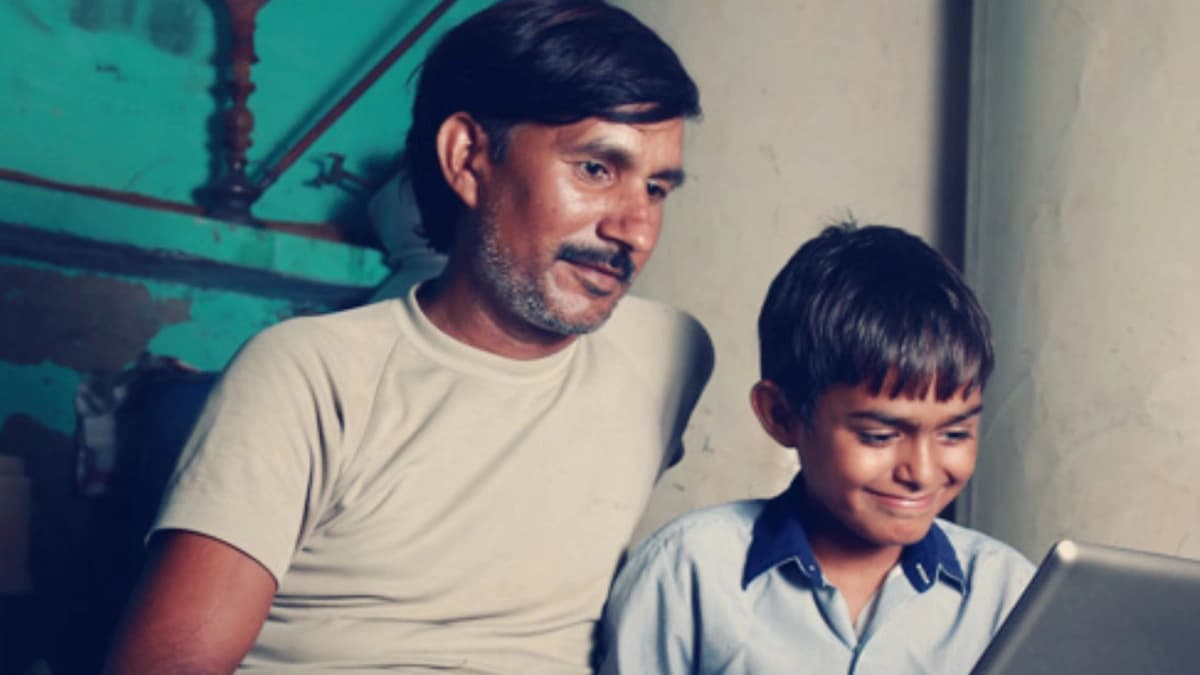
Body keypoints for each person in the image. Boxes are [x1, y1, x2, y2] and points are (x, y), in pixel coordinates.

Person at [106, 1, 711, 672]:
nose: (635, 229)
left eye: (657, 188)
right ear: (466, 156)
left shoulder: (670, 355)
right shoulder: (309, 373)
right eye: (596, 169)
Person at [599, 223, 1035, 674]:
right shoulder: (686, 572)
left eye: (954, 434)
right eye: (879, 436)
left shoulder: (1007, 592)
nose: (921, 472)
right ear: (782, 416)